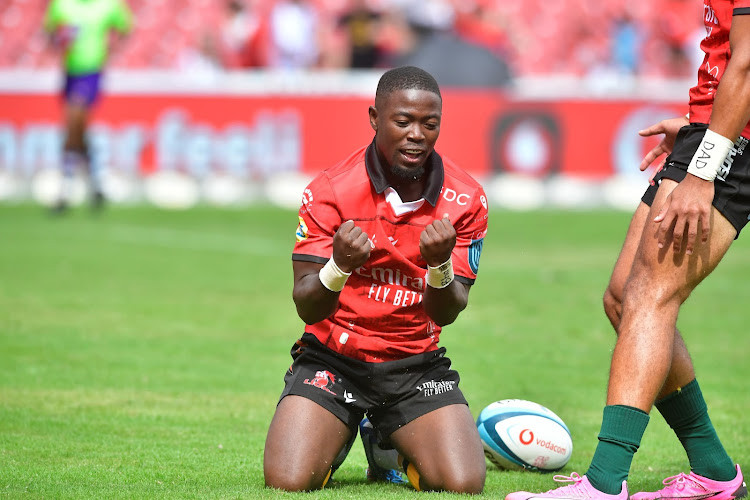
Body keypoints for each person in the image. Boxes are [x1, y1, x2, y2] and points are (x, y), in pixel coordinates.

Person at [506, 2, 750, 500]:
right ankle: (714, 472)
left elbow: (747, 62)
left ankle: (604, 483)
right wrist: (696, 126)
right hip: (712, 134)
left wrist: (704, 168)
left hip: (731, 147)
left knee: (650, 298)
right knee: (623, 296)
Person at [263, 66, 488, 493]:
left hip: (414, 365)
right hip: (333, 361)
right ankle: (341, 428)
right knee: (288, 481)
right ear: (375, 118)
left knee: (463, 484)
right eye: (402, 122)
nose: (417, 134)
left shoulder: (467, 199)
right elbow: (307, 304)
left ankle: (388, 443)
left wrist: (439, 265)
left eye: (430, 123)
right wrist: (339, 266)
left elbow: (449, 310)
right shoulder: (330, 190)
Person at [43, 0, 133, 212]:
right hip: (70, 71)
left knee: (74, 119)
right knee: (77, 129)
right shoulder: (62, 5)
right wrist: (59, 42)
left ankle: (65, 190)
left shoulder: (108, 5)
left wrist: (112, 48)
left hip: (91, 71)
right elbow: (48, 30)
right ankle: (95, 183)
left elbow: (126, 27)